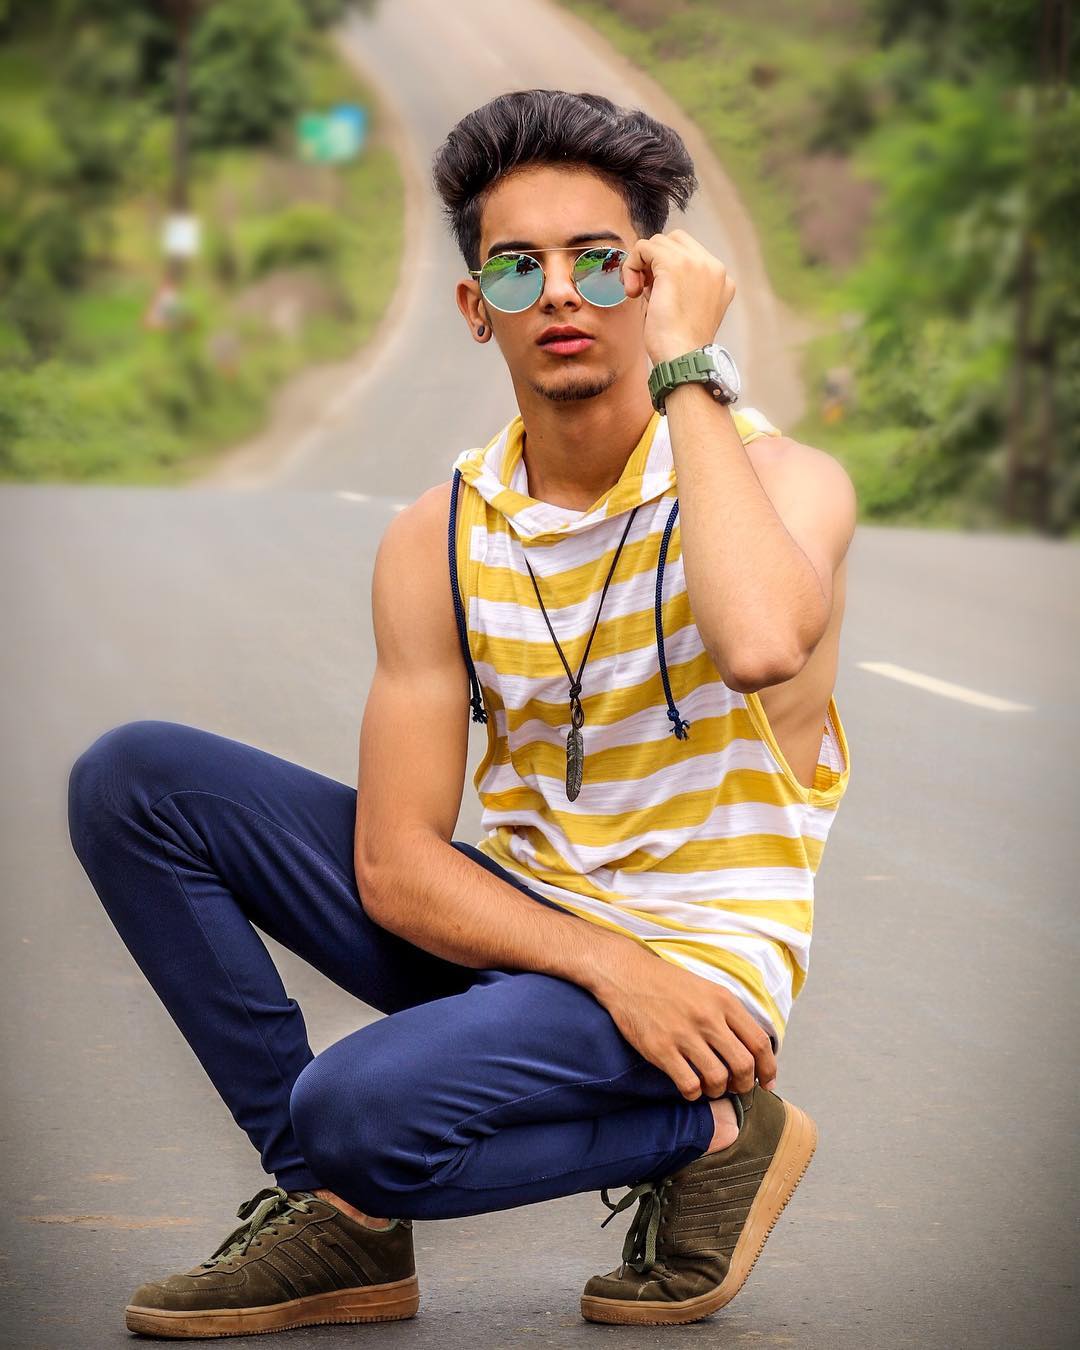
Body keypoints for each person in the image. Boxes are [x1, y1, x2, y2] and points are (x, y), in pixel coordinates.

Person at [67, 88, 855, 1338]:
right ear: (472, 305)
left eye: (602, 262)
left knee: (356, 1111)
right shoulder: (435, 535)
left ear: (654, 282)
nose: (560, 293)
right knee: (137, 779)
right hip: (543, 938)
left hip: (703, 980)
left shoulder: (779, 482)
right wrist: (603, 964)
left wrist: (691, 370)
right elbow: (395, 865)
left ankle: (712, 1125)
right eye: (518, 265)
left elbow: (761, 642)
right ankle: (343, 1224)